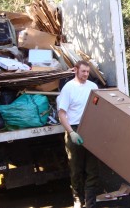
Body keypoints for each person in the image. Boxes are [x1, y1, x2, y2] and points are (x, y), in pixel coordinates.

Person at [57, 60, 99, 208]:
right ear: (76, 70)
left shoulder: (93, 87)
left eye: (88, 72)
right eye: (83, 72)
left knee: (92, 170)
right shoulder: (68, 88)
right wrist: (71, 132)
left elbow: (99, 108)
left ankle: (90, 203)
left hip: (90, 129)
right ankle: (77, 198)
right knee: (76, 169)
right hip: (74, 129)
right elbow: (61, 114)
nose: (86, 75)